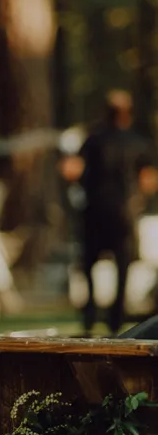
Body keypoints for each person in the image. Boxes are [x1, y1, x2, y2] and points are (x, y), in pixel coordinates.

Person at [75, 91, 158, 334]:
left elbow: (73, 170)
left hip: (95, 211)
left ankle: (90, 315)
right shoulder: (139, 142)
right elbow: (148, 181)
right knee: (123, 267)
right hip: (124, 214)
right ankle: (116, 319)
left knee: (89, 264)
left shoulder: (93, 140)